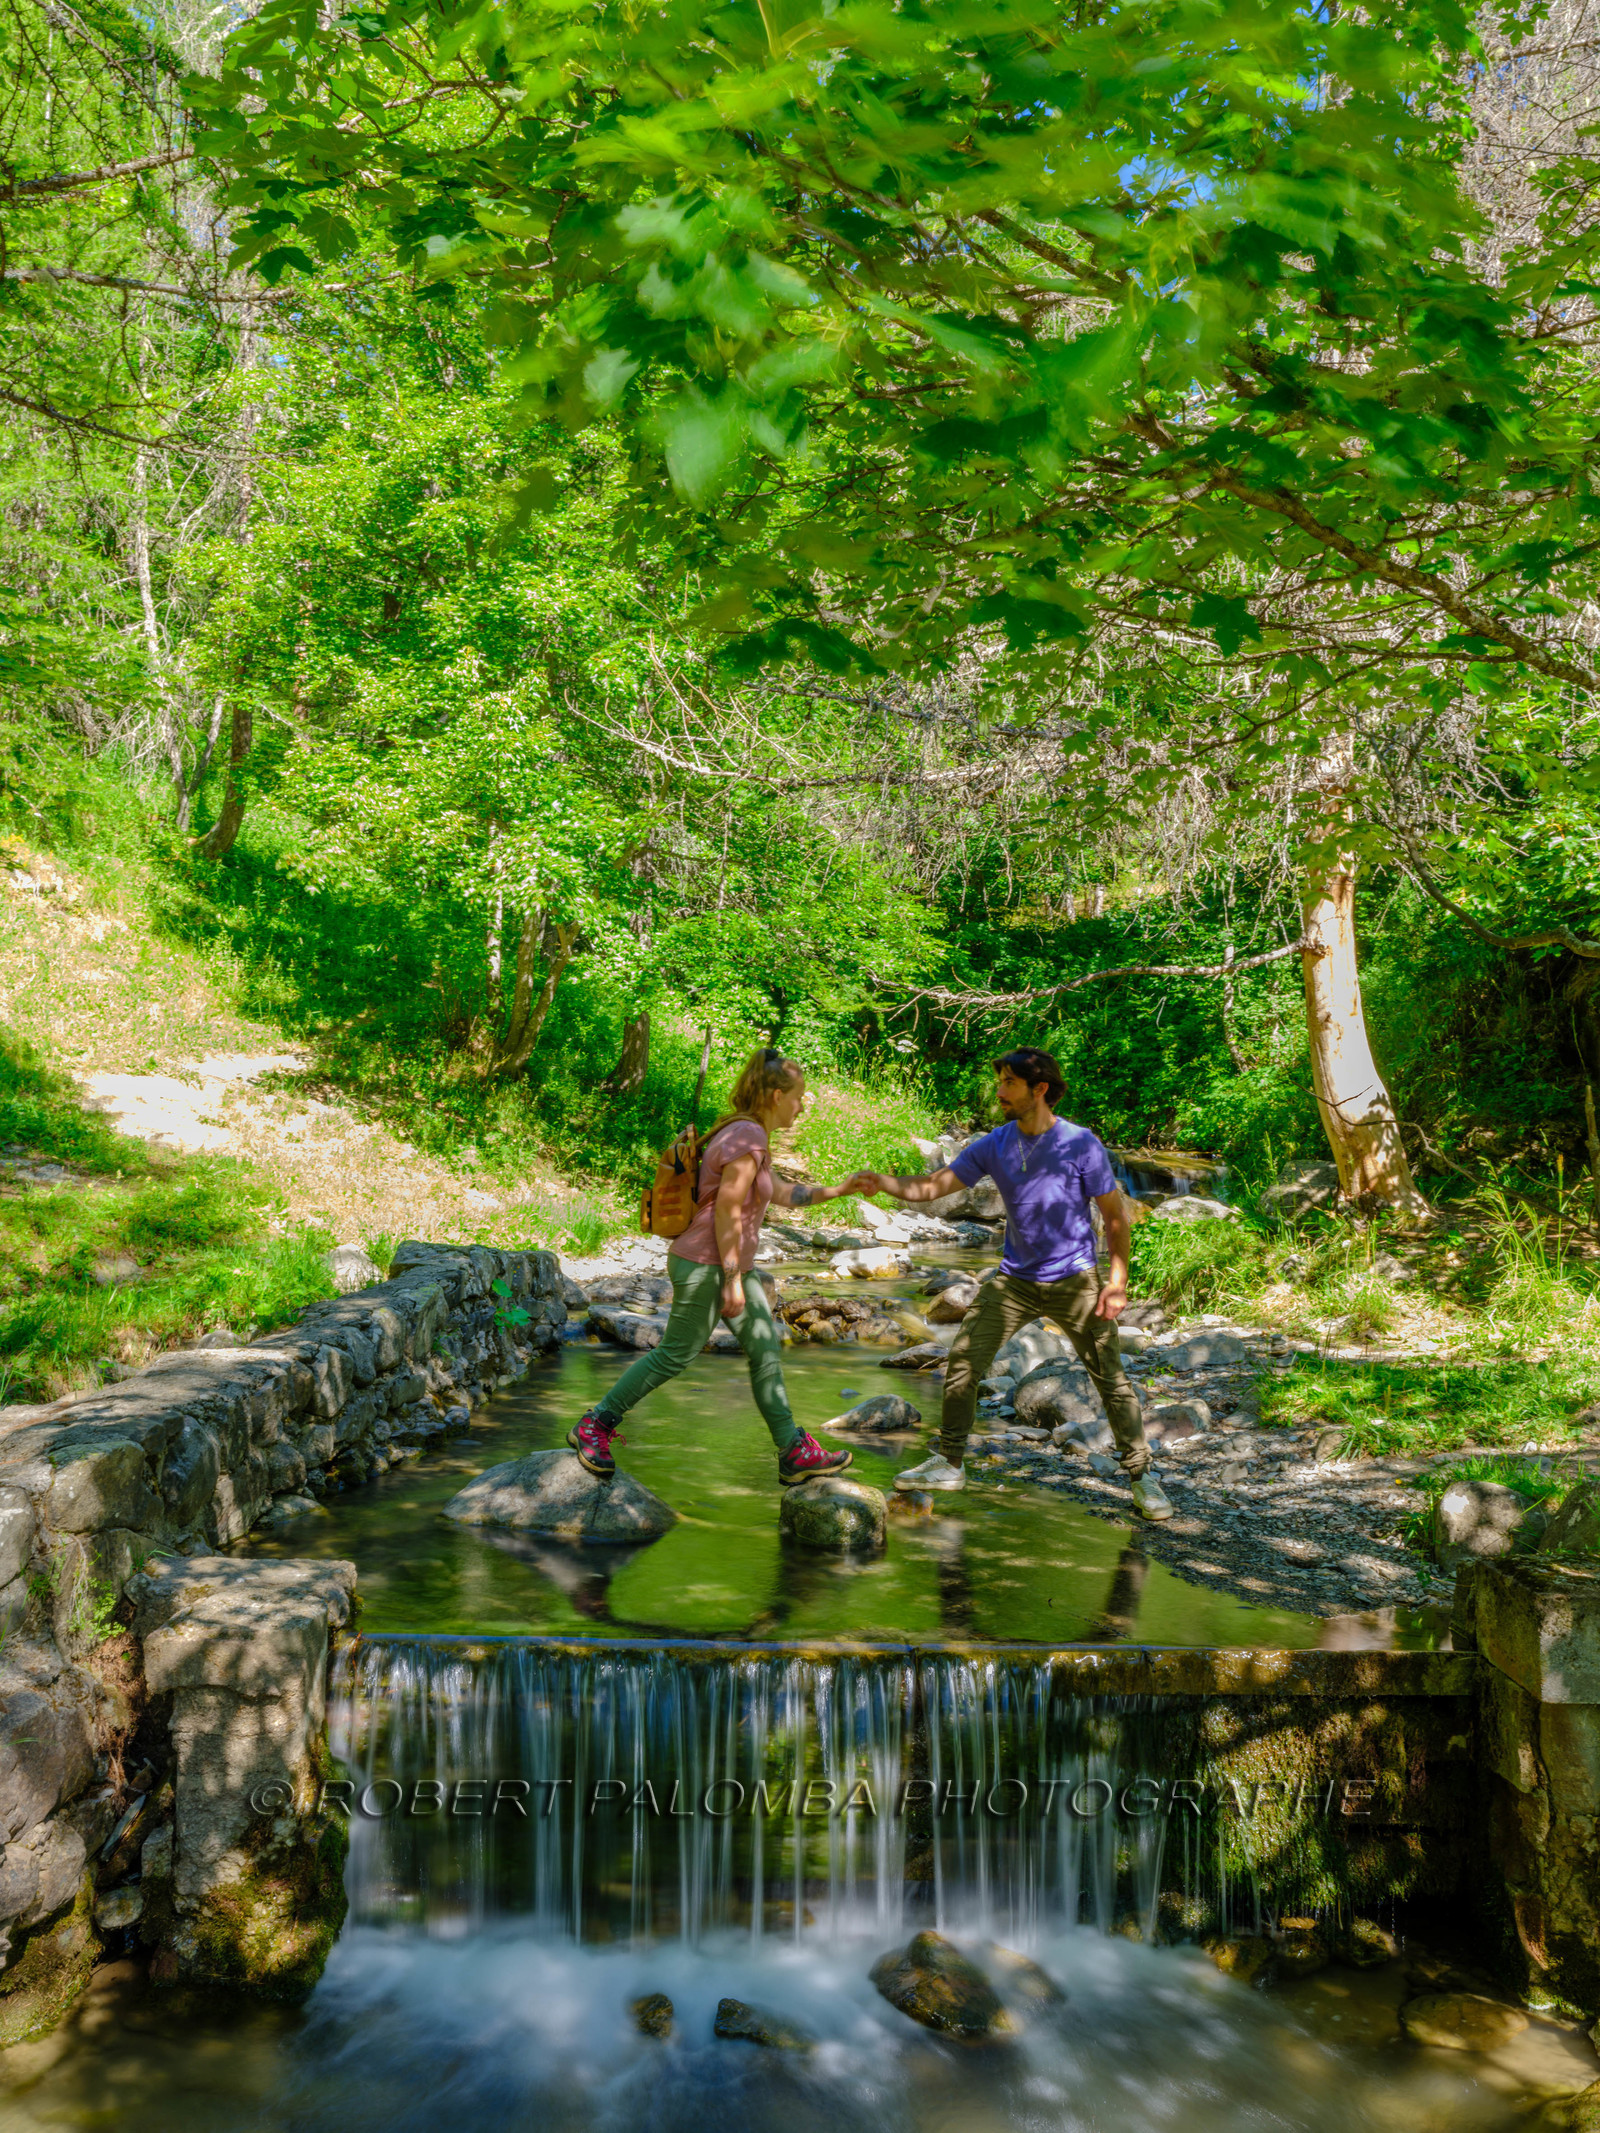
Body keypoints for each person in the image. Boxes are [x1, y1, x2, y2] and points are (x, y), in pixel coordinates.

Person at [859, 1046, 1173, 1522]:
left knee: (1110, 1379)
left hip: (1075, 1281)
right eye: (1000, 1082)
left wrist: (1117, 1281)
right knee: (963, 1361)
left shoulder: (1080, 1144)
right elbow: (933, 1187)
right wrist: (883, 1181)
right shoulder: (995, 1143)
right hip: (1013, 1282)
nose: (1000, 1092)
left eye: (1009, 1083)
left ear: (1040, 1088)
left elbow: (1115, 1218)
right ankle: (949, 1462)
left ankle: (1142, 1476)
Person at [568, 1048, 874, 1487]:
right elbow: (728, 1209)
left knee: (765, 1349)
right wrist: (731, 1281)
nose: (802, 1105)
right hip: (706, 1265)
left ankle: (793, 1452)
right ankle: (594, 1425)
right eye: (798, 1096)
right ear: (775, 1095)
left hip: (727, 1265)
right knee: (674, 1355)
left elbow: (782, 1194)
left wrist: (840, 1189)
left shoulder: (746, 1136)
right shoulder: (748, 1138)